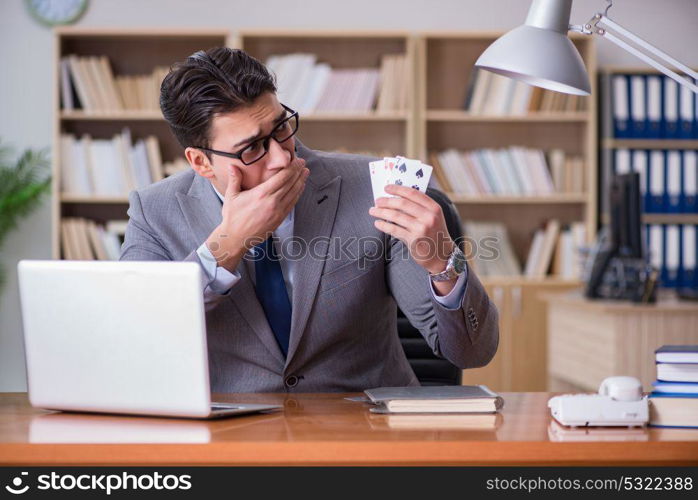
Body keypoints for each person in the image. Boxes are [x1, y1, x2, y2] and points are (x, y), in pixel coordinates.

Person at [120, 47, 498, 392]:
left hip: (365, 432)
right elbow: (134, 339)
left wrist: (443, 263)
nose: (283, 158)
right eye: (251, 147)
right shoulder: (155, 212)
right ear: (201, 162)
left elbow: (471, 353)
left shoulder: (372, 188)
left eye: (281, 127)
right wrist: (228, 244)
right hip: (233, 438)